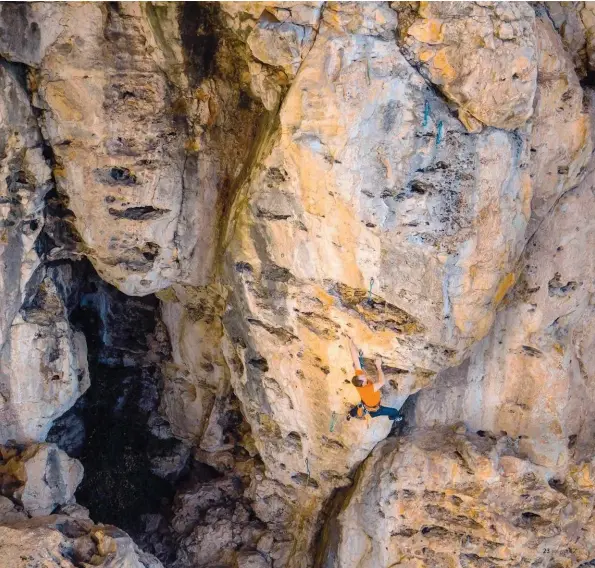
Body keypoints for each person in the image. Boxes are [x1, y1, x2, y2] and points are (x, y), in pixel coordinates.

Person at [346, 337, 402, 425]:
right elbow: (382, 382)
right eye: (363, 377)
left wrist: (350, 343)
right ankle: (396, 417)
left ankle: (350, 414)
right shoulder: (368, 389)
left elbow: (356, 361)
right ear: (363, 383)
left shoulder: (359, 382)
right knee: (393, 411)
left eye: (360, 375)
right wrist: (378, 366)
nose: (363, 374)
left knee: (359, 407)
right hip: (375, 408)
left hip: (365, 402)